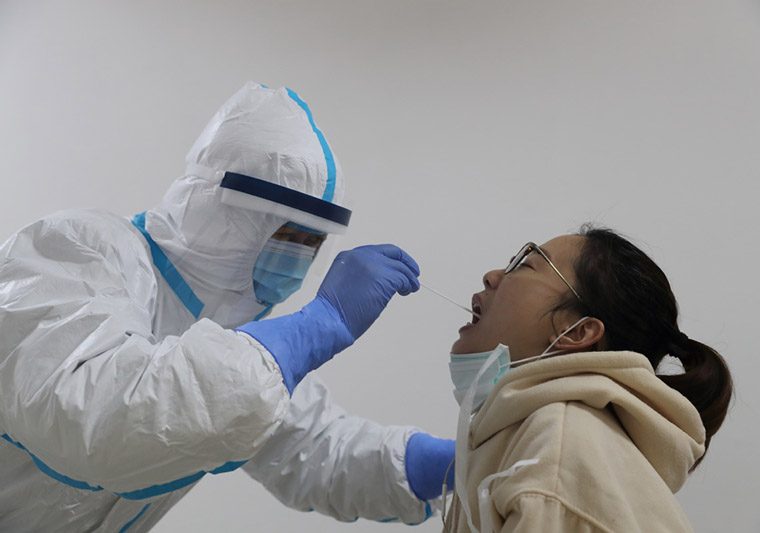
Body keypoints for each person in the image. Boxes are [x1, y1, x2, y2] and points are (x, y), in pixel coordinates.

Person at [0, 82, 454, 532]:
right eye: (288, 235)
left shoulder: (233, 339)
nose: (299, 256)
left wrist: (454, 466)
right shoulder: (81, 248)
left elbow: (315, 449)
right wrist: (321, 324)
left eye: (312, 242)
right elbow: (98, 421)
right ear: (226, 212)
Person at [442, 225, 733, 532]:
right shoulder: (537, 438)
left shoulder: (557, 451)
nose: (491, 275)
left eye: (526, 264)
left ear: (577, 331)